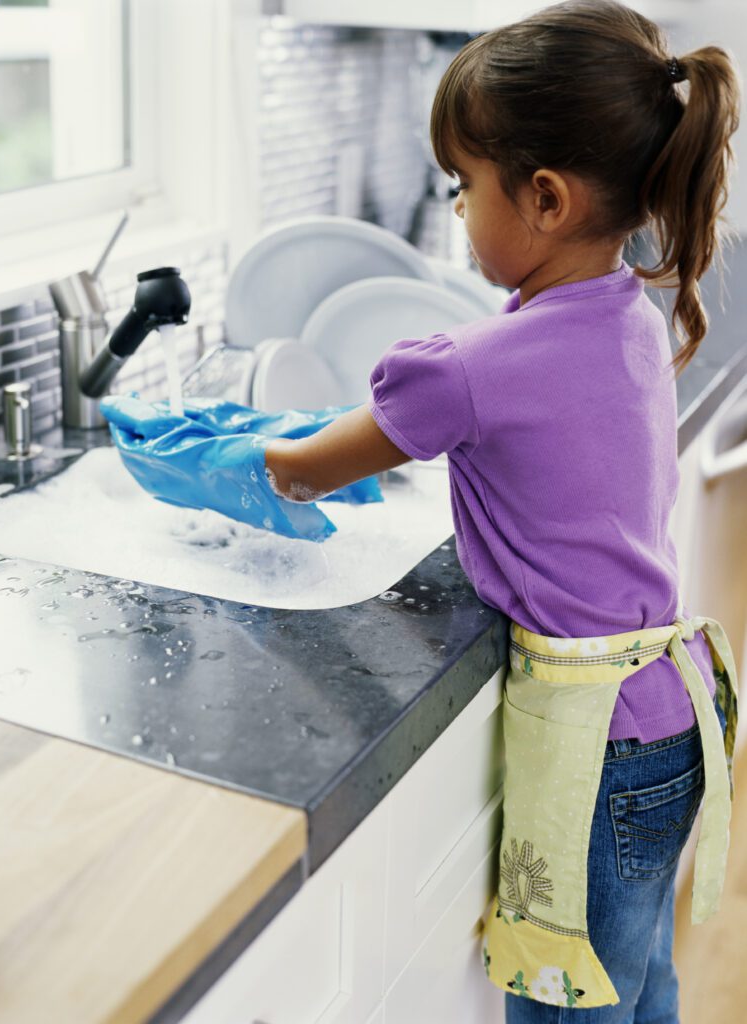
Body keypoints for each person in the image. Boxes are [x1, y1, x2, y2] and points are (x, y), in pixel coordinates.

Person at [262, 2, 740, 1020]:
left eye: (461, 187)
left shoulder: (476, 368)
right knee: (642, 987)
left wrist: (239, 451)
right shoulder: (622, 311)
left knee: (567, 1010)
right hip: (665, 728)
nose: (457, 213)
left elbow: (304, 468)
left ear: (548, 198)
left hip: (596, 756)